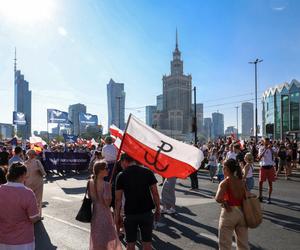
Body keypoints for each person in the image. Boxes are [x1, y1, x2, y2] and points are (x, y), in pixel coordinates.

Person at [115, 154, 160, 250]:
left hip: (130, 214)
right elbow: (155, 193)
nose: (121, 165)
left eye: (121, 163)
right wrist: (158, 209)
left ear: (124, 161)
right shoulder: (147, 172)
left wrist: (117, 215)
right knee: (147, 244)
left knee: (130, 245)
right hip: (146, 213)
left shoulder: (121, 175)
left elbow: (118, 199)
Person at [0, 162, 40, 250]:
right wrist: (38, 216)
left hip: (2, 239)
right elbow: (34, 218)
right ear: (22, 175)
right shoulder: (28, 193)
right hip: (23, 241)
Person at [215, 159, 249, 250]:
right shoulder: (242, 182)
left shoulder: (225, 182)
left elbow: (218, 198)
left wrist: (225, 202)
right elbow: (247, 196)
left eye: (223, 167)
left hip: (229, 212)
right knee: (243, 243)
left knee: (225, 243)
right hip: (242, 212)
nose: (222, 169)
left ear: (226, 168)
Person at [89, 161, 122, 250]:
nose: (109, 170)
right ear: (100, 170)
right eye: (106, 168)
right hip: (105, 214)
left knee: (97, 239)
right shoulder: (106, 185)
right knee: (108, 238)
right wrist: (108, 189)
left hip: (95, 214)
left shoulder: (90, 182)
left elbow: (91, 198)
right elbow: (107, 202)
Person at [24, 149, 47, 216]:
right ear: (34, 155)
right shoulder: (37, 162)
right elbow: (43, 173)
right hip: (38, 183)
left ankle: (29, 214)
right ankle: (38, 215)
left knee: (29, 200)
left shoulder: (25, 163)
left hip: (28, 183)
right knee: (38, 200)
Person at [258, 138, 275, 203]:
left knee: (270, 183)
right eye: (266, 142)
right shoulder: (261, 148)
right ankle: (260, 196)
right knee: (260, 182)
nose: (267, 143)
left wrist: (270, 149)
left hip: (270, 167)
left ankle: (269, 198)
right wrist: (265, 149)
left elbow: (276, 155)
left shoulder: (272, 149)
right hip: (263, 167)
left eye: (268, 142)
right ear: (264, 142)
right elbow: (259, 157)